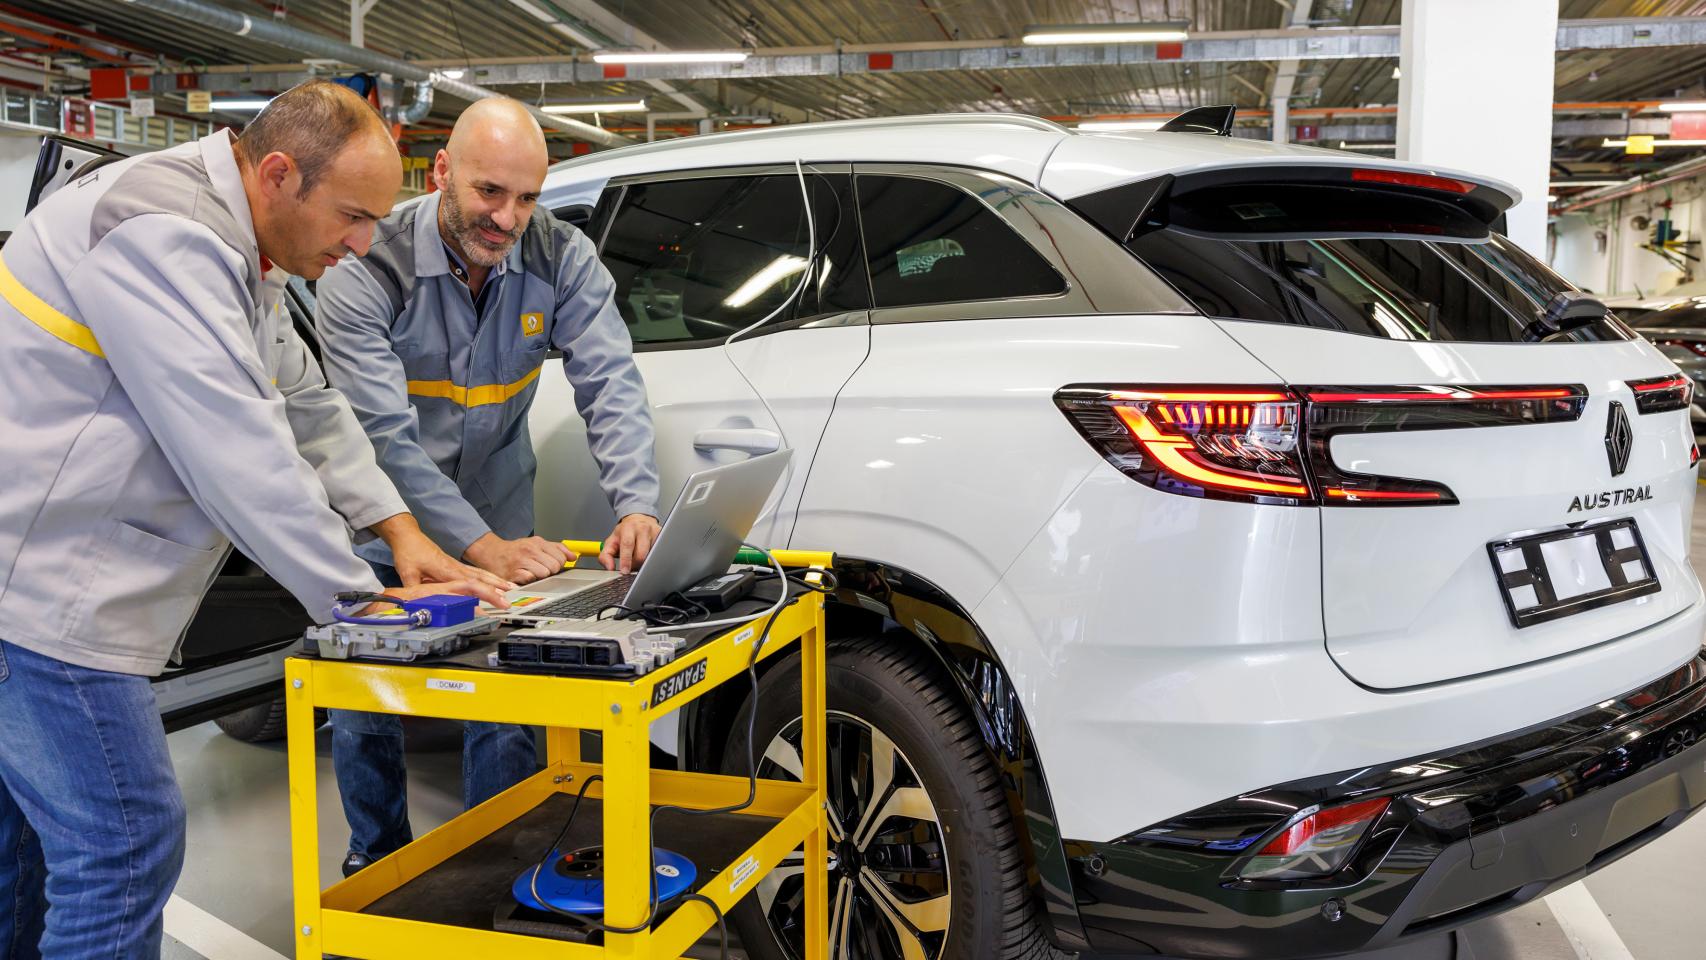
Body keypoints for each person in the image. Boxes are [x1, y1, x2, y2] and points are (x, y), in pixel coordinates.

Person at [0, 80, 509, 959]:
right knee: (124, 846)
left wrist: (400, 532)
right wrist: (362, 603)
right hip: (38, 603)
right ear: (278, 173)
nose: (358, 246)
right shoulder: (165, 235)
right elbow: (235, 444)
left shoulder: (232, 240)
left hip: (49, 586)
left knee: (27, 860)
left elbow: (307, 402)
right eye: (351, 216)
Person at [314, 96, 661, 874]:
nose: (509, 218)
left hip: (501, 514)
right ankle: (375, 861)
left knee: (507, 703)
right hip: (382, 526)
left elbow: (611, 380)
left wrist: (636, 500)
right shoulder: (366, 266)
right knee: (368, 703)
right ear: (441, 172)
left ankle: (496, 862)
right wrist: (478, 547)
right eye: (489, 192)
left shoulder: (559, 257)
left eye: (529, 197)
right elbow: (381, 438)